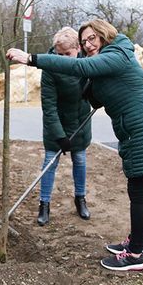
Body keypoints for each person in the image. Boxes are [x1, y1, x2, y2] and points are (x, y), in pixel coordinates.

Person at [6, 19, 143, 272]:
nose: (88, 43)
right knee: (139, 190)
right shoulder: (103, 63)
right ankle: (138, 242)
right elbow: (92, 89)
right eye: (84, 41)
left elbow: (83, 67)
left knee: (138, 191)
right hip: (136, 130)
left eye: (92, 37)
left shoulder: (117, 52)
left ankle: (135, 254)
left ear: (104, 34)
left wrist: (31, 58)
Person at [37, 27, 92, 226]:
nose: (63, 59)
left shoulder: (88, 63)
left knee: (80, 160)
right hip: (56, 125)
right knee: (50, 163)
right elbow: (49, 107)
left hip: (80, 123)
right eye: (59, 55)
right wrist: (60, 136)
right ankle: (44, 204)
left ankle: (80, 198)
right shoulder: (50, 69)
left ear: (77, 48)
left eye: (67, 54)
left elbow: (95, 89)